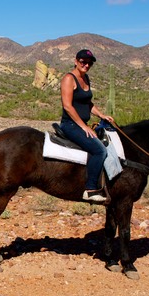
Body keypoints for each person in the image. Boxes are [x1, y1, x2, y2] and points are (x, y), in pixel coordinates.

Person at [59, 49, 114, 203]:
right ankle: (90, 189)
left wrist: (101, 115)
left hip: (80, 124)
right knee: (99, 150)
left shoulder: (86, 78)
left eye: (89, 63)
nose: (86, 65)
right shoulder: (69, 79)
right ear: (76, 61)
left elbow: (88, 103)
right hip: (70, 124)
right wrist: (84, 127)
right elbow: (68, 106)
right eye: (83, 62)